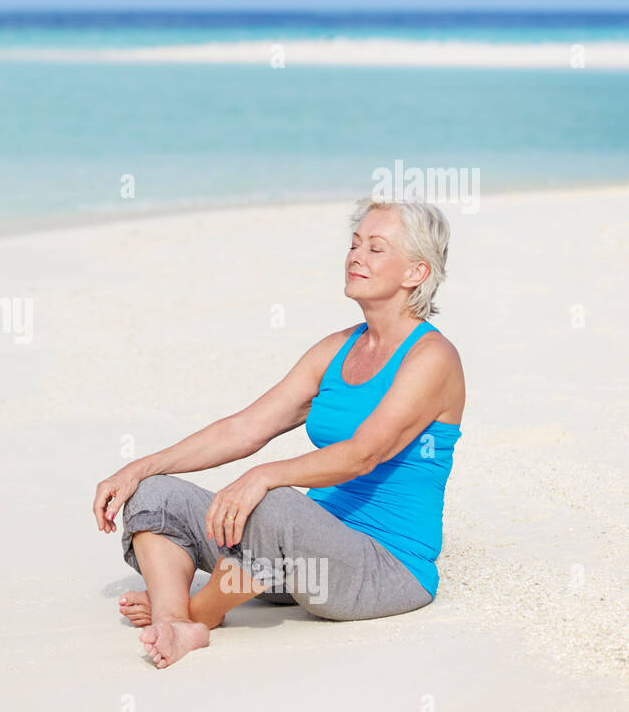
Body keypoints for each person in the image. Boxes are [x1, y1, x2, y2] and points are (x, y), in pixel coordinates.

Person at [92, 198, 464, 668]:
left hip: (383, 570)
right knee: (155, 493)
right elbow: (245, 428)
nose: (356, 257)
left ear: (416, 272)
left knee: (276, 501)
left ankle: (198, 612)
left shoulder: (432, 359)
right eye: (354, 244)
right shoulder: (335, 349)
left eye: (376, 249)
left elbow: (363, 454)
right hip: (296, 558)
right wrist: (139, 467)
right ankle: (174, 620)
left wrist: (263, 476)